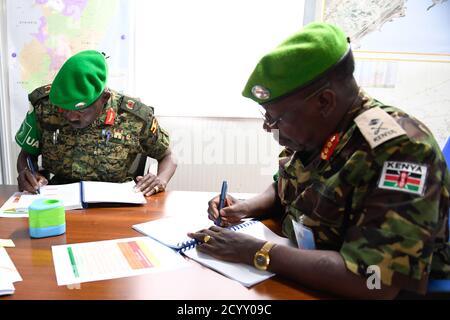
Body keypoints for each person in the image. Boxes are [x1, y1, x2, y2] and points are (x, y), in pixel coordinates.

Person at [188, 22, 450, 299]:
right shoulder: (316, 131)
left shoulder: (400, 150)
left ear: (324, 102)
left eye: (276, 118)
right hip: (305, 271)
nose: (269, 128)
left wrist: (254, 251)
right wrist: (244, 207)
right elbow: (286, 186)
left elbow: (374, 281)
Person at [15, 50, 177, 196]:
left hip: (116, 205)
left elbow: (168, 156)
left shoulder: (134, 117)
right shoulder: (44, 106)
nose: (71, 117)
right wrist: (26, 172)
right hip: (59, 200)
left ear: (104, 98)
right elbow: (27, 154)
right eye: (64, 109)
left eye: (81, 110)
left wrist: (160, 179)